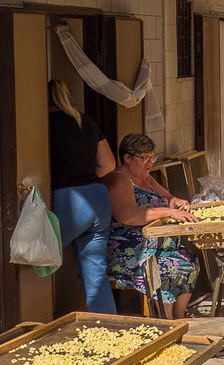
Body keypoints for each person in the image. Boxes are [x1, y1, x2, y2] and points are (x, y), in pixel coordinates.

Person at [104, 133, 199, 319]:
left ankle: (180, 320)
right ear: (127, 158)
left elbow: (169, 200)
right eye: (144, 158)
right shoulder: (119, 179)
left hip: (157, 247)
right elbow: (127, 215)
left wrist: (178, 203)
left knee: (190, 260)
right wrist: (168, 212)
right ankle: (166, 323)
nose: (150, 163)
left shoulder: (146, 178)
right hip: (129, 252)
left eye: (151, 158)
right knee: (169, 267)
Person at [48, 80, 117, 314]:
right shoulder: (84, 121)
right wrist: (84, 176)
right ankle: (108, 332)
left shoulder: (45, 124)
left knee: (37, 258)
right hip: (98, 197)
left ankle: (41, 327)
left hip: (70, 200)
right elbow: (108, 164)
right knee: (96, 273)